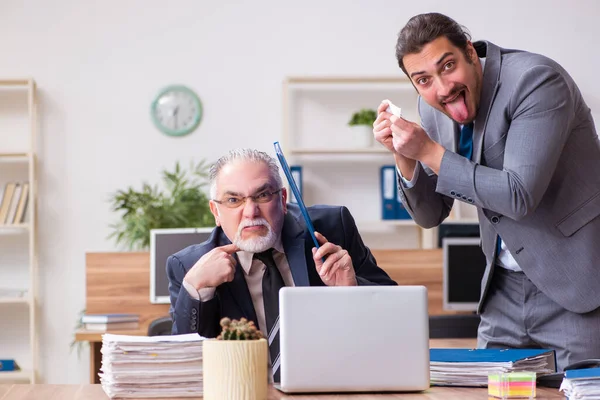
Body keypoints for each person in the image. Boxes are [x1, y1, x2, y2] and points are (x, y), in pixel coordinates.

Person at [373, 12, 600, 370]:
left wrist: (430, 152)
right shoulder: (431, 111)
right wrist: (405, 158)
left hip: (575, 289)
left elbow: (518, 195)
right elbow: (431, 215)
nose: (442, 88)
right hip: (502, 296)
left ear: (468, 51)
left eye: (448, 66)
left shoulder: (537, 81)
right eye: (423, 79)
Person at [166, 148, 396, 380]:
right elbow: (184, 367)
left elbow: (396, 314)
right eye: (233, 200)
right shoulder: (189, 266)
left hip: (330, 384)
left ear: (283, 199)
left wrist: (352, 288)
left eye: (263, 195)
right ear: (216, 211)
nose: (250, 212)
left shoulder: (331, 228)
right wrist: (197, 290)